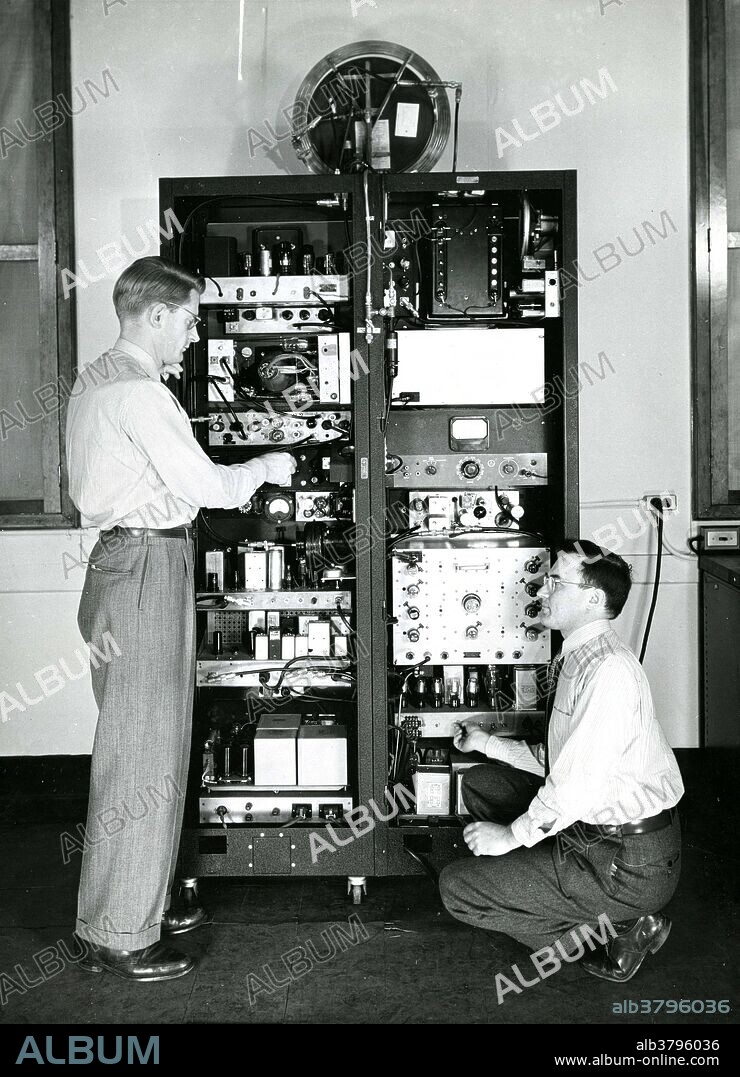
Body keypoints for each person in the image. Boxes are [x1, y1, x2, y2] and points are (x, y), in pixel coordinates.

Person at [66, 256, 297, 982]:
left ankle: (137, 903)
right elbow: (207, 489)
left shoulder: (94, 379)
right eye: (191, 319)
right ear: (157, 314)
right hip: (147, 568)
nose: (195, 335)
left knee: (141, 746)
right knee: (143, 753)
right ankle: (121, 933)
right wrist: (267, 464)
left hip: (119, 565)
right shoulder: (141, 395)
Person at [439, 539, 684, 982]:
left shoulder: (607, 671)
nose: (542, 590)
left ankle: (622, 930)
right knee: (479, 782)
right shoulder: (580, 657)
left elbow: (575, 787)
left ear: (593, 599)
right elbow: (560, 763)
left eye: (555, 581)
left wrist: (509, 837)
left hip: (626, 863)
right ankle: (581, 896)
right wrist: (486, 744)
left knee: (459, 889)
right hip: (600, 833)